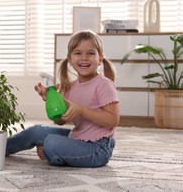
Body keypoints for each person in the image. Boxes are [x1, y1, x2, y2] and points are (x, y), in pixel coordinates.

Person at [6, 30, 120, 168]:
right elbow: (60, 120)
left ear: (100, 59)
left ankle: (51, 152)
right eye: (78, 53)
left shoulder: (104, 84)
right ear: (70, 59)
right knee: (36, 130)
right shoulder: (70, 87)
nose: (84, 58)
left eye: (90, 53)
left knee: (51, 142)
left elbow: (113, 120)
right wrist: (50, 99)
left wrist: (82, 111)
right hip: (78, 137)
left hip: (98, 148)